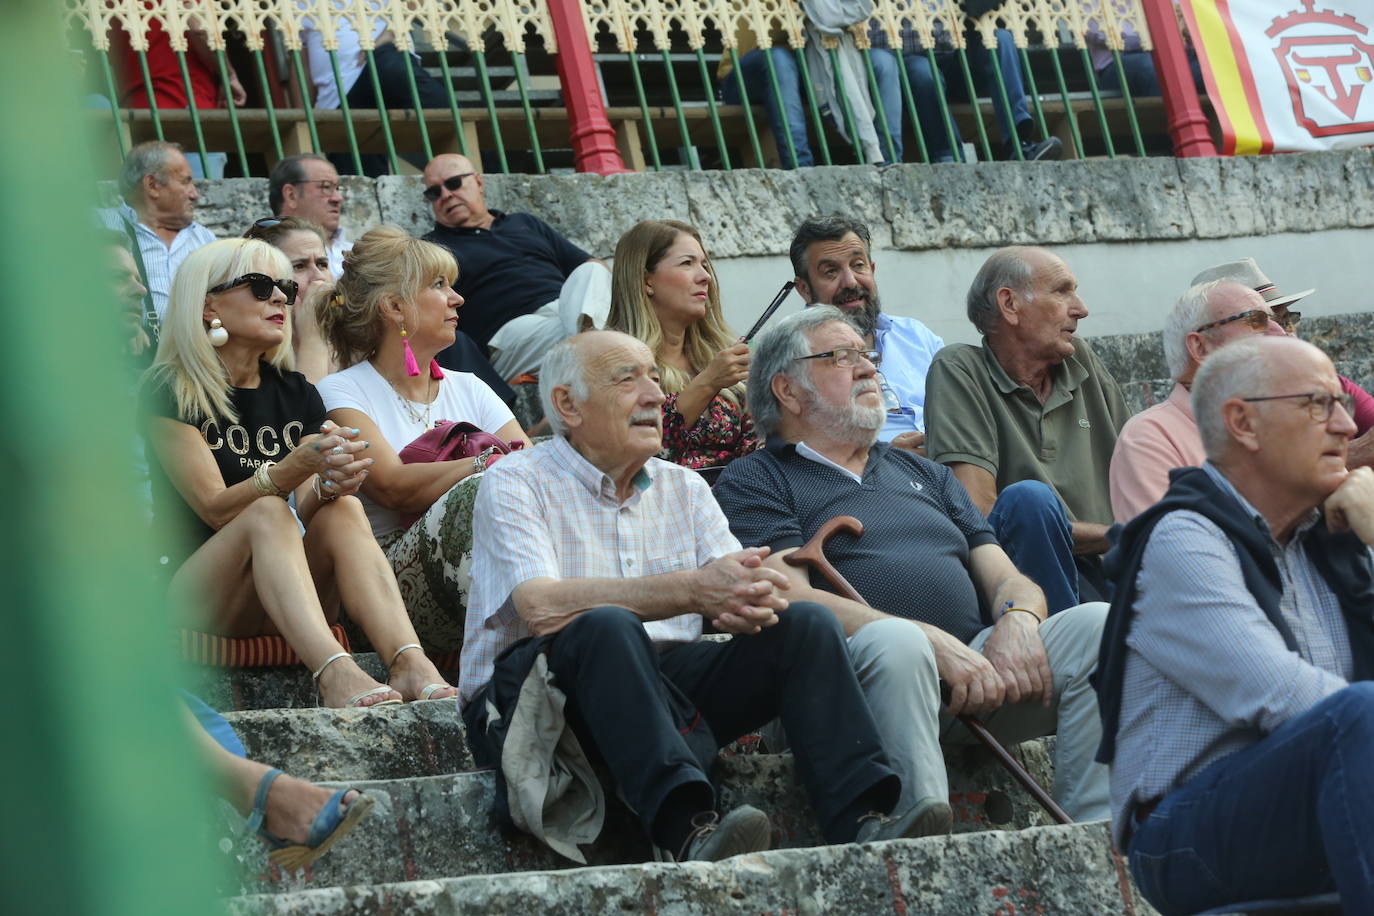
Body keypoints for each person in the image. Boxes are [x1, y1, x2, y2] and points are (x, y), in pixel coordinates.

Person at [459, 329, 914, 861]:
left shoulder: (684, 486)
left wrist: (751, 596)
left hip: (658, 693)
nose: (654, 394)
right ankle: (688, 827)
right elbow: (542, 608)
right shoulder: (516, 479)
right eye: (627, 379)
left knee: (804, 626)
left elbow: (729, 589)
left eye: (653, 376)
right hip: (536, 704)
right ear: (567, 405)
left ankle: (862, 820)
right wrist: (695, 591)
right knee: (606, 625)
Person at [714, 307, 1111, 831]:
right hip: (854, 685)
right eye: (840, 357)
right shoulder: (756, 478)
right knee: (897, 646)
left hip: (976, 676)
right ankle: (918, 839)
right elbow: (791, 595)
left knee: (1099, 625)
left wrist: (1017, 623)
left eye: (866, 355)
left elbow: (1006, 575)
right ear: (787, 391)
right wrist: (926, 639)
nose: (866, 368)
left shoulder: (923, 472)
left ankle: (1095, 833)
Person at [1095, 335, 1374, 914]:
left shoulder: (1334, 538)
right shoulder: (1184, 538)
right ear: (1243, 423)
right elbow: (1277, 696)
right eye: (1320, 404)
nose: (1348, 427)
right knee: (1361, 714)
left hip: (1319, 791)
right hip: (1187, 832)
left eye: (1342, 404)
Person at [141, 237, 458, 706]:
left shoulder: (295, 391)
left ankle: (409, 661)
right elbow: (214, 510)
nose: (279, 298)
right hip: (199, 595)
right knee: (267, 511)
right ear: (209, 304)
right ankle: (333, 671)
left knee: (343, 508)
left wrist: (331, 482)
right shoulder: (169, 388)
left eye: (285, 289)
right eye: (259, 285)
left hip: (284, 588)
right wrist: (290, 470)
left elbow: (308, 503)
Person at [316, 226, 529, 652]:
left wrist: (499, 466)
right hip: (388, 584)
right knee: (483, 491)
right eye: (439, 285)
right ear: (395, 307)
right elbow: (393, 488)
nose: (457, 299)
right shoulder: (341, 391)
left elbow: (529, 465)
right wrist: (484, 464)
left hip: (487, 561)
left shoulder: (470, 385)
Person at [924, 246, 1129, 611]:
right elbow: (981, 514)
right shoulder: (959, 369)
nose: (1080, 308)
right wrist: (1122, 536)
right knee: (1029, 501)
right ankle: (1069, 651)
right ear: (1010, 304)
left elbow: (1136, 477)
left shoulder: (1080, 361)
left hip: (1119, 565)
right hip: (1034, 575)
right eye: (1062, 291)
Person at [420, 153, 611, 380]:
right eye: (434, 192)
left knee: (594, 270)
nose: (446, 195)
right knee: (618, 333)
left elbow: (589, 264)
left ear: (479, 182)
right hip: (512, 334)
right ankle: (597, 338)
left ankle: (590, 335)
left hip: (568, 311)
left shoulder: (524, 222)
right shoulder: (434, 248)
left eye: (454, 183)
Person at [1109, 280, 1286, 523]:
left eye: (1277, 321)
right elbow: (1172, 552)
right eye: (1256, 320)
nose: (1280, 332)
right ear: (1201, 347)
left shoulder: (1282, 416)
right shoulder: (1149, 438)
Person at [1191, 257, 1374, 466]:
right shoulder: (1198, 418)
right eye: (1257, 325)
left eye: (1285, 321)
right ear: (1206, 345)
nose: (1283, 334)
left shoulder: (1331, 383)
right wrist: (1351, 456)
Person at [606, 220, 759, 469]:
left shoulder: (719, 355)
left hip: (739, 497)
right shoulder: (611, 361)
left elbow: (759, 446)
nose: (705, 277)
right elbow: (639, 457)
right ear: (647, 281)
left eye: (705, 265)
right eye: (687, 263)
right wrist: (708, 382)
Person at [788, 216, 944, 450]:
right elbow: (800, 453)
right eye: (831, 271)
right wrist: (884, 460)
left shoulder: (916, 336)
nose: (850, 282)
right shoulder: (794, 358)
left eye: (858, 265)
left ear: (871, 269)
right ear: (804, 289)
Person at [867, 3, 1062, 162]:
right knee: (924, 71)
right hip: (907, 64)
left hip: (957, 58)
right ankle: (948, 157)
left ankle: (1019, 145)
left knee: (1000, 39)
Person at [114, 12, 246, 179]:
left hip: (137, 114)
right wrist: (229, 75)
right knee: (197, 198)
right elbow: (200, 30)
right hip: (187, 107)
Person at [99, 140, 216, 321]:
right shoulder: (100, 223)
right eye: (186, 182)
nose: (195, 195)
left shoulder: (205, 238)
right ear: (152, 185)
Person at [242, 217, 335, 383]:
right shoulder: (254, 356)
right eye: (299, 266)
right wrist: (312, 338)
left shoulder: (352, 340)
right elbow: (312, 408)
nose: (318, 278)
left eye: (322, 264)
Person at [268, 154, 350, 276]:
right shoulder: (265, 258)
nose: (338, 198)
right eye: (326, 187)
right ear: (291, 195)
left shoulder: (360, 252)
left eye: (337, 188)